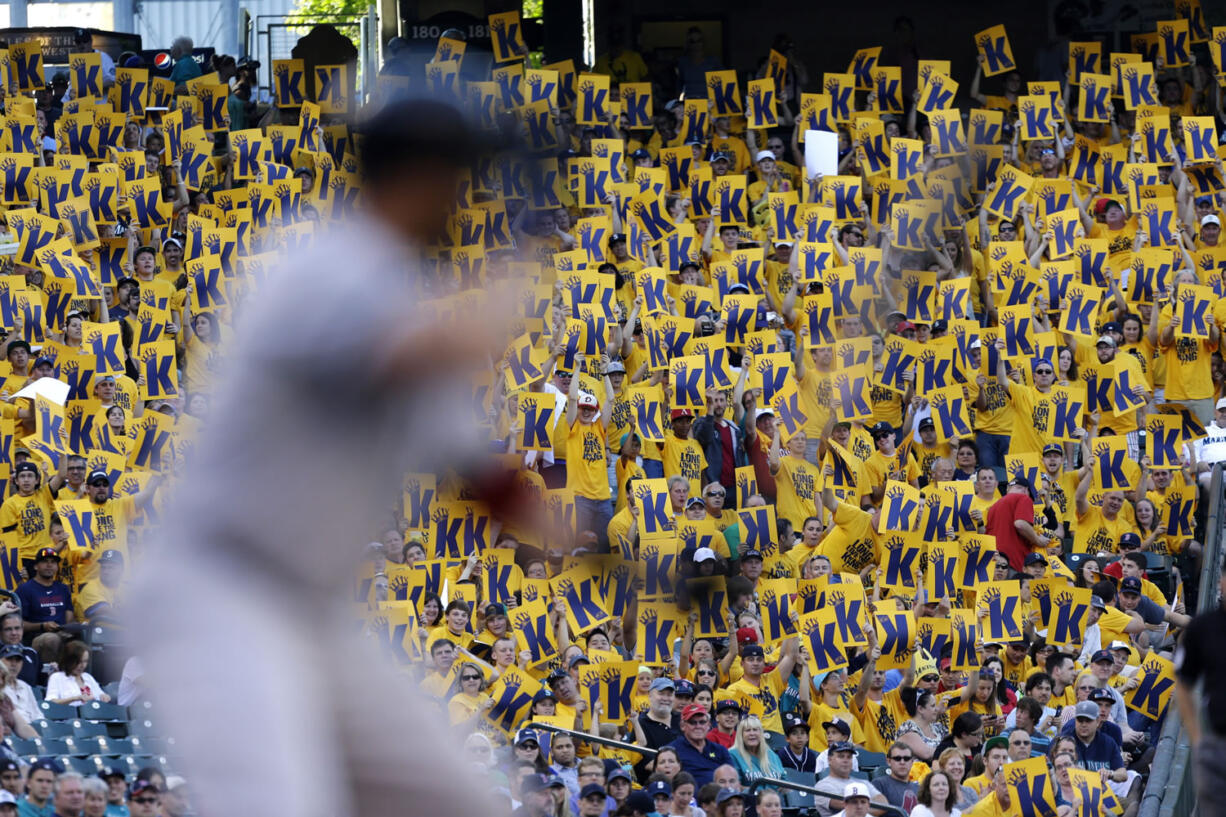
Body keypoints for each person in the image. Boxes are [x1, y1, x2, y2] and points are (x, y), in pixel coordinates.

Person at [127, 97, 501, 817]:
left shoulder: (404, 293)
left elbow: (483, 478)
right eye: (459, 179)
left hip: (312, 609)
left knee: (457, 799)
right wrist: (509, 297)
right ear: (423, 177)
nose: (466, 198)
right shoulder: (324, 262)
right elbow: (398, 354)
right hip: (216, 586)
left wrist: (604, 548)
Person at [1177, 558, 1226, 817]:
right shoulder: (1202, 627)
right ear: (1221, 581)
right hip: (1218, 745)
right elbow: (1183, 684)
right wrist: (1198, 739)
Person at [667, 704, 734, 788]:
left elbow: (732, 779)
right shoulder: (672, 751)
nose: (698, 726)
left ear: (709, 725)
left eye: (702, 722)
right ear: (682, 726)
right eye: (692, 722)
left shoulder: (720, 750)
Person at [813, 743, 886, 817]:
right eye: (841, 756)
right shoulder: (821, 786)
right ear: (829, 759)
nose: (846, 760)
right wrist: (869, 809)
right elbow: (844, 805)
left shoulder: (863, 783)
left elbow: (884, 804)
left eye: (849, 757)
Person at [46, 640, 109, 705]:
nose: (82, 666)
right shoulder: (56, 677)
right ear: (68, 660)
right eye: (78, 662)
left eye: (85, 661)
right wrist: (75, 698)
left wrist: (104, 696)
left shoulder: (88, 677)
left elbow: (100, 694)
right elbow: (51, 702)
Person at [871, 741, 919, 811]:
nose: (902, 762)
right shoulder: (879, 784)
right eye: (897, 758)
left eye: (906, 759)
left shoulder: (918, 788)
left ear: (912, 762)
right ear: (889, 761)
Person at [0, 645, 38, 726]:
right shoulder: (1, 685)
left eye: (18, 660)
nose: (14, 664)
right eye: (9, 659)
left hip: (30, 730)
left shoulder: (25, 686)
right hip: (10, 731)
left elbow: (37, 714)